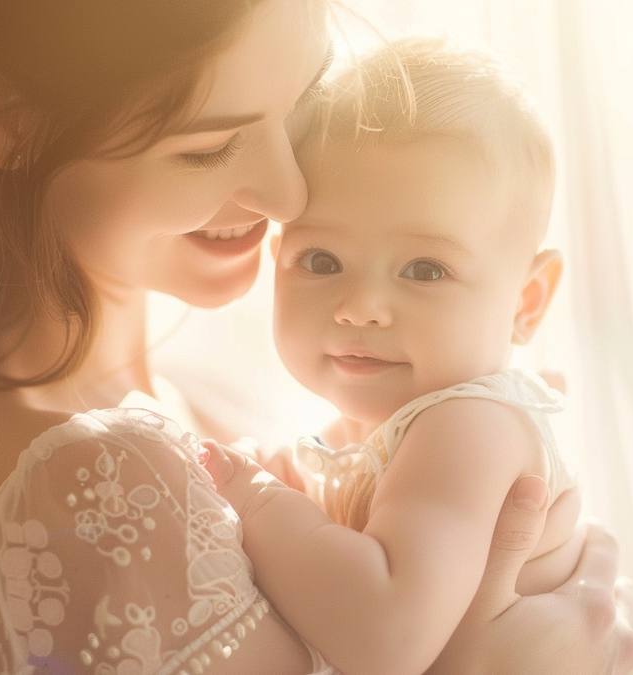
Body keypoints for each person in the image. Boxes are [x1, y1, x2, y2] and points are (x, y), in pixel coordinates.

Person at [0, 0, 633, 672]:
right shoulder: (95, 477)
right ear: (9, 124)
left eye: (296, 111)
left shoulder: (221, 405)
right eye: (211, 146)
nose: (291, 195)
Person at [202, 39, 588, 674]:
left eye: (425, 269)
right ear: (279, 262)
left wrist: (256, 497)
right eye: (321, 261)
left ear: (527, 301)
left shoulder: (471, 428)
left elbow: (386, 638)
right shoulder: (358, 438)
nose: (360, 307)